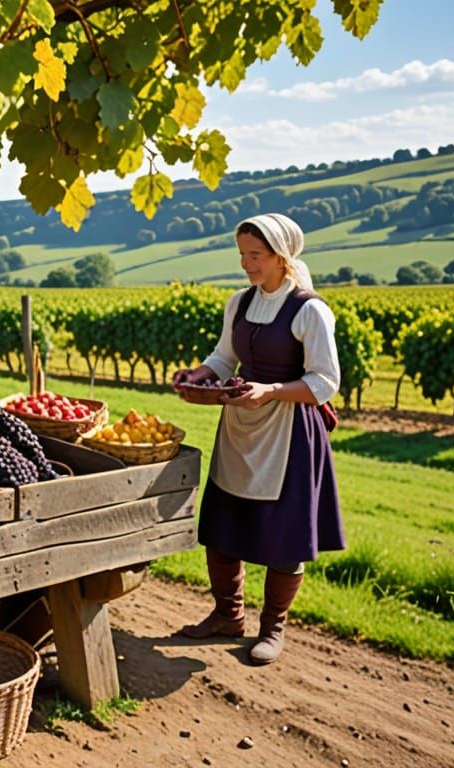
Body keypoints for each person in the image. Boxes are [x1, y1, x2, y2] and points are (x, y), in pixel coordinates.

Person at [171, 213, 345, 665]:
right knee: (223, 526)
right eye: (242, 255)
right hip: (239, 428)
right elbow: (224, 357)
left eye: (256, 255)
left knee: (283, 535)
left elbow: (325, 381)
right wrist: (200, 374)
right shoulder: (240, 302)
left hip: (288, 434)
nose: (246, 264)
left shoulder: (309, 310)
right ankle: (227, 616)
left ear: (282, 256)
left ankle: (273, 628)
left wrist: (270, 390)